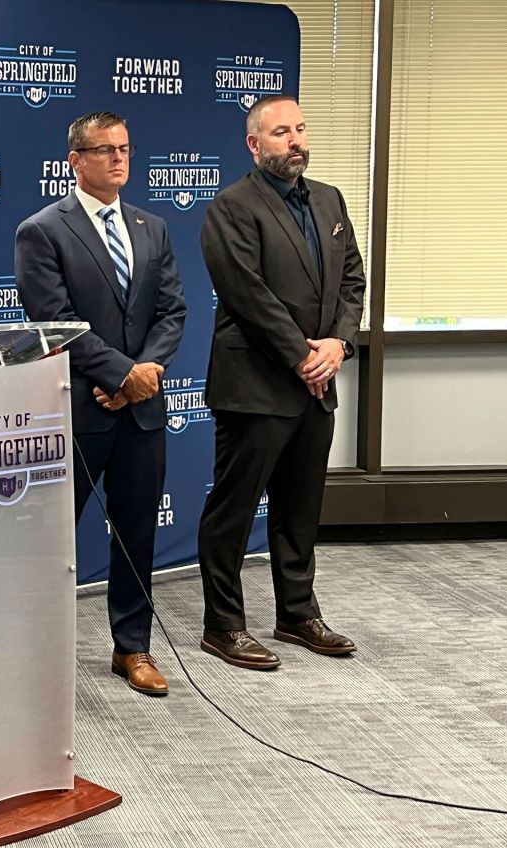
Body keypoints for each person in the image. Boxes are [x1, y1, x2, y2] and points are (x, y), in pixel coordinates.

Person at [15, 112, 187, 696]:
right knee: (54, 540)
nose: (118, 158)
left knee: (136, 532)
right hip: (77, 411)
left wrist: (143, 375)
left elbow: (172, 312)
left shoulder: (152, 226)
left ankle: (132, 648)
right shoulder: (42, 229)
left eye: (125, 148)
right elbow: (54, 321)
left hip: (140, 412)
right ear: (75, 160)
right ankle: (38, 653)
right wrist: (119, 374)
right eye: (104, 149)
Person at [196, 94, 365, 670]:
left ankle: (297, 612)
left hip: (317, 381)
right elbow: (248, 296)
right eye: (280, 132)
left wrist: (339, 344)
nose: (295, 140)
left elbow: (352, 279)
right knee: (233, 509)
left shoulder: (329, 199)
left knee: (299, 508)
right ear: (254, 144)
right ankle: (222, 625)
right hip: (256, 385)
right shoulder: (231, 207)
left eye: (299, 129)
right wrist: (302, 356)